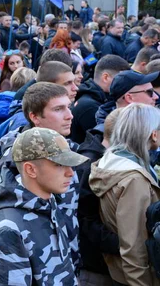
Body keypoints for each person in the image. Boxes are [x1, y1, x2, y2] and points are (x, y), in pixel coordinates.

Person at [0, 127, 88, 285]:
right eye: (59, 165)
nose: (70, 173)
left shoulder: (49, 203)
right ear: (31, 169)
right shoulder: (8, 228)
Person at [90, 104, 160, 286]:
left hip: (121, 271)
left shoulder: (112, 160)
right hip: (138, 277)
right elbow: (134, 246)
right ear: (153, 134)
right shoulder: (133, 180)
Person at [76, 108, 122, 285]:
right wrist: (123, 244)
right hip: (96, 268)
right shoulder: (90, 163)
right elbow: (83, 218)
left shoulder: (111, 159)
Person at [71, 55, 129, 143]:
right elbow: (108, 141)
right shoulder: (90, 106)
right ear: (105, 77)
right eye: (122, 79)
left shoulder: (98, 97)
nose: (124, 83)